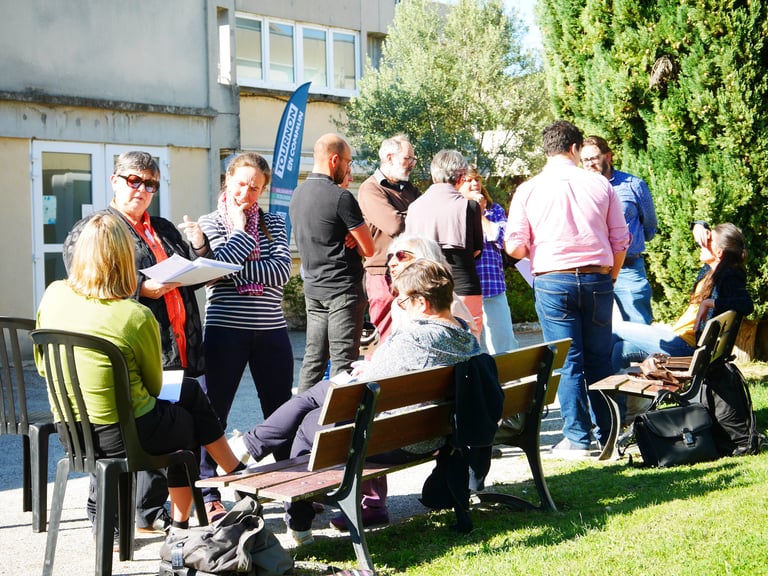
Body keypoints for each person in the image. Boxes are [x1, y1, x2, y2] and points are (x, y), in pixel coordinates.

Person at [228, 259, 481, 545]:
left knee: (311, 418)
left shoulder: (414, 338)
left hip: (393, 442)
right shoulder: (465, 337)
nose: (399, 305)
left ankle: (288, 507)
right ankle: (253, 447)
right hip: (432, 435)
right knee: (319, 401)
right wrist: (369, 370)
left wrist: (365, 371)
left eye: (403, 301)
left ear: (421, 303)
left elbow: (366, 388)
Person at [37, 213, 244, 540]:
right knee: (187, 423)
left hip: (72, 431)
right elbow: (155, 385)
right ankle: (182, 526)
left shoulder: (54, 295)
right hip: (126, 435)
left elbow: (42, 364)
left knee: (189, 392)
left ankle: (231, 474)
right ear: (125, 258)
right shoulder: (133, 315)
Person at [63, 150, 210, 534]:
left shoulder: (161, 226)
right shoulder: (94, 230)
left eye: (151, 184)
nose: (142, 190)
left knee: (170, 429)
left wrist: (199, 250)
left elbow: (187, 270)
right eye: (134, 181)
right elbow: (89, 289)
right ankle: (107, 521)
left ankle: (147, 513)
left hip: (179, 340)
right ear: (114, 181)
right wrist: (142, 289)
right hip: (134, 350)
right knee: (128, 436)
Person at [505, 120, 631, 458]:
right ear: (575, 149)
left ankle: (577, 439)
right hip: (597, 277)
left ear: (546, 150)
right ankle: (609, 435)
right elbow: (621, 239)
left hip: (552, 280)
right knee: (600, 358)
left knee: (568, 362)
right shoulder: (602, 186)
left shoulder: (528, 190)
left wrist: (537, 248)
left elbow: (514, 247)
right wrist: (612, 275)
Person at [193, 152, 294, 522]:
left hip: (271, 330)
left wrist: (230, 265)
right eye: (241, 184)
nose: (246, 193)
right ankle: (208, 492)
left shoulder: (276, 223)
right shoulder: (208, 223)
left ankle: (292, 488)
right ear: (227, 180)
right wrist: (236, 232)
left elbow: (281, 271)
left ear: (263, 189)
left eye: (255, 188)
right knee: (212, 411)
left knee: (282, 411)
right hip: (224, 329)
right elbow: (215, 269)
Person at [289, 133, 374, 393]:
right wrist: (354, 237)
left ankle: (300, 424)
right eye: (348, 163)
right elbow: (369, 248)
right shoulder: (340, 197)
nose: (349, 169)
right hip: (343, 292)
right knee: (343, 366)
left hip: (314, 290)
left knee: (313, 362)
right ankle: (336, 430)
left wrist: (348, 235)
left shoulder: (297, 194)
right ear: (334, 159)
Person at [611, 222, 753, 373]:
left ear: (719, 252)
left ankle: (592, 389)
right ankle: (607, 396)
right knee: (619, 350)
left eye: (709, 241)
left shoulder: (728, 276)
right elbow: (700, 230)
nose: (701, 244)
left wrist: (709, 303)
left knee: (614, 328)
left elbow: (746, 304)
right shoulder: (711, 270)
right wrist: (698, 226)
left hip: (684, 347)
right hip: (678, 340)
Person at [405, 150, 484, 336]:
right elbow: (476, 250)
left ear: (434, 173)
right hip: (464, 285)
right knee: (469, 348)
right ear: (462, 176)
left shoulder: (414, 208)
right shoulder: (469, 207)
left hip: (425, 289)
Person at [581, 136, 658, 324]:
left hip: (629, 268)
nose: (590, 164)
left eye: (594, 158)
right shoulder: (580, 190)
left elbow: (650, 227)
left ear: (608, 156)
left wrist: (633, 242)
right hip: (593, 270)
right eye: (585, 160)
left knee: (639, 325)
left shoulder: (633, 185)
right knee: (595, 327)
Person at [358, 135, 421, 343]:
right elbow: (395, 225)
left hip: (411, 271)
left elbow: (425, 217)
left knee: (410, 337)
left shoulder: (409, 189)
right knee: (384, 338)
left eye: (413, 159)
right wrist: (415, 215)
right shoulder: (370, 188)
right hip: (382, 273)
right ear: (389, 157)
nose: (411, 164)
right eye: (407, 159)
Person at [458, 167, 519, 353]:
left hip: (492, 285)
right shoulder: (455, 210)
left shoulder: (494, 210)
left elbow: (501, 239)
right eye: (469, 180)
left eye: (477, 179)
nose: (475, 183)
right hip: (465, 288)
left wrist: (481, 214)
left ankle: (507, 378)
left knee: (503, 340)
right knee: (465, 341)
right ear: (458, 184)